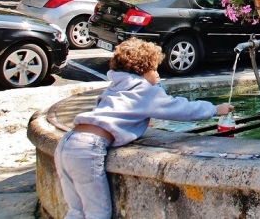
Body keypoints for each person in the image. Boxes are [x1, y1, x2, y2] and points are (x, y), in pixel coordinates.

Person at [54, 38, 234, 219]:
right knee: (98, 212)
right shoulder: (145, 90)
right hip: (89, 149)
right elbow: (179, 108)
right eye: (155, 69)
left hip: (68, 142)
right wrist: (214, 109)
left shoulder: (117, 85)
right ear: (143, 70)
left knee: (76, 210)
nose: (157, 75)